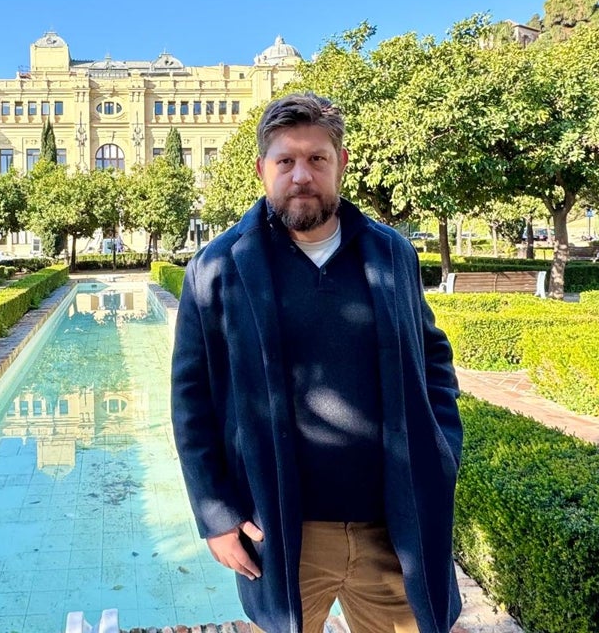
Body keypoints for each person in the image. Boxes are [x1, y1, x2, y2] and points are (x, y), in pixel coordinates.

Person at [170, 92, 462, 633]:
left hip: (393, 529)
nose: (301, 175)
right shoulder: (216, 269)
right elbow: (192, 403)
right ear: (262, 170)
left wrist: (442, 446)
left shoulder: (390, 252)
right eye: (286, 161)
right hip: (284, 530)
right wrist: (216, 514)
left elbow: (434, 357)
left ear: (340, 164)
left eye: (316, 159)